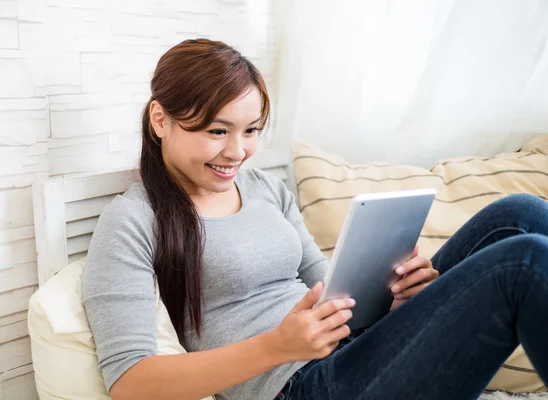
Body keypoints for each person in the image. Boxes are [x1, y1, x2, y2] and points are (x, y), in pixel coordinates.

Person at [82, 39, 548, 400]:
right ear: (160, 120)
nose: (237, 152)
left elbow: (330, 289)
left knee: (520, 214)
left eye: (251, 131)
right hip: (305, 384)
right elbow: (129, 381)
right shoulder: (132, 221)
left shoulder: (266, 189)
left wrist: (400, 302)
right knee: (523, 265)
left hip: (356, 348)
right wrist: (277, 348)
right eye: (216, 131)